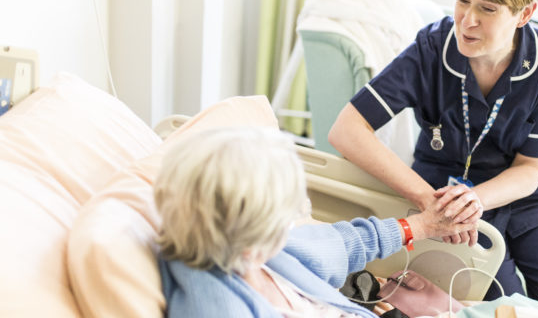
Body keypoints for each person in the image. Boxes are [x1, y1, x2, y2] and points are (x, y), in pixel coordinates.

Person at [328, 0, 538, 306]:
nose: (467, 21)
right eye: (461, 1)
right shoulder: (432, 48)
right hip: (443, 198)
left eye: (487, 9)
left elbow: (533, 166)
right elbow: (347, 130)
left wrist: (474, 199)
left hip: (528, 197)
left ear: (525, 13)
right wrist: (432, 203)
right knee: (500, 307)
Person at [155, 127, 478, 318]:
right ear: (253, 232)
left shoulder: (262, 257)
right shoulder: (217, 306)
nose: (295, 219)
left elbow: (345, 243)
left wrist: (423, 225)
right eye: (286, 214)